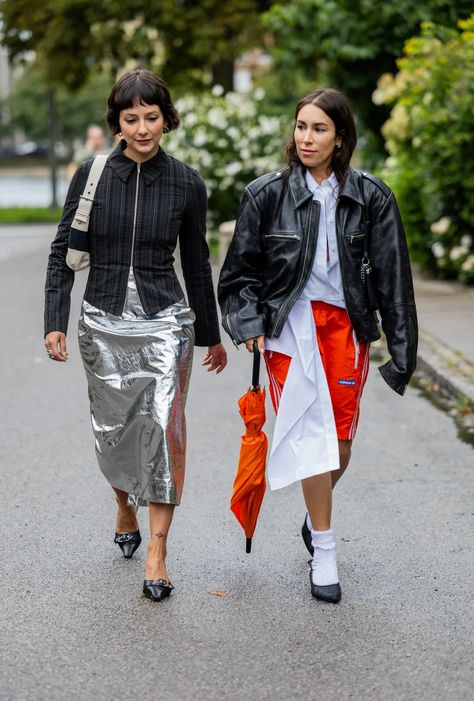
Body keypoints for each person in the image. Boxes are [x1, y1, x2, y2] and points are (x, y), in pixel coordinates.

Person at [218, 88, 417, 603]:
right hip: (289, 328)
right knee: (310, 435)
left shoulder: (372, 196)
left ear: (341, 138)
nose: (306, 137)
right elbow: (239, 274)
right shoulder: (266, 193)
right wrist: (249, 322)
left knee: (340, 444)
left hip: (346, 329)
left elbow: (395, 280)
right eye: (301, 126)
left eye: (319, 129)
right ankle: (325, 551)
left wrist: (401, 351)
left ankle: (313, 516)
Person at [44, 69, 227, 602]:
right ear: (117, 122)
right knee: (114, 432)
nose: (143, 128)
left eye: (152, 117)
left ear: (166, 119)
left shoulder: (187, 182)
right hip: (101, 321)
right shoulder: (92, 174)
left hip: (166, 322)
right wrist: (54, 319)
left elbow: (196, 262)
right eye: (132, 119)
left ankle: (158, 553)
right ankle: (124, 505)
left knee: (164, 430)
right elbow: (62, 252)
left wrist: (210, 335)